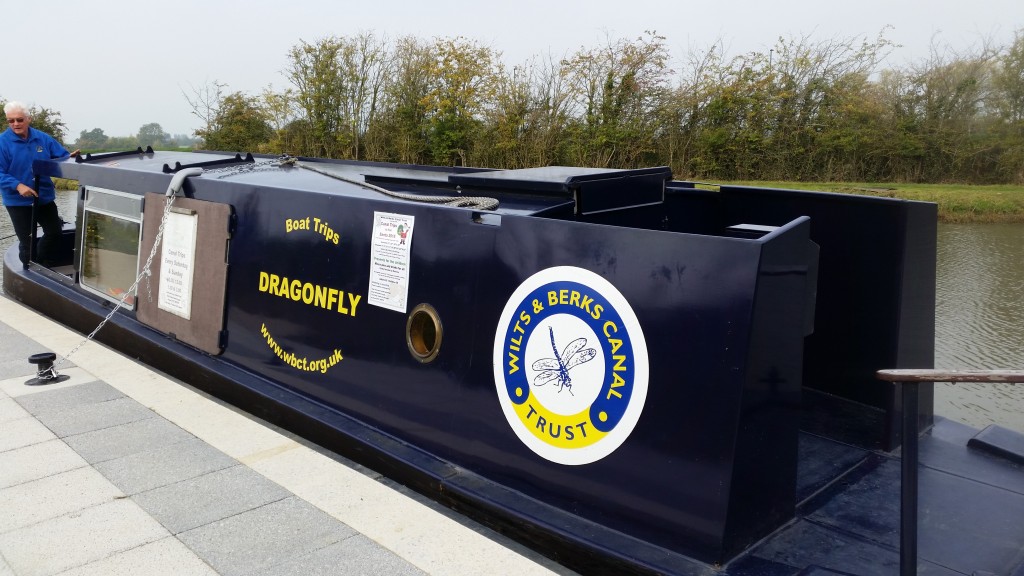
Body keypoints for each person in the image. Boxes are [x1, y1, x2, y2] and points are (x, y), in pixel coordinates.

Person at [0, 101, 78, 266]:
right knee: (27, 241)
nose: (15, 124)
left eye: (19, 120)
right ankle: (28, 268)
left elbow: (61, 156)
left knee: (55, 233)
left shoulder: (42, 138)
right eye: (11, 120)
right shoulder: (2, 142)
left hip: (44, 197)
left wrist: (70, 158)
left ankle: (39, 264)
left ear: (28, 119)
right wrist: (18, 185)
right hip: (17, 202)